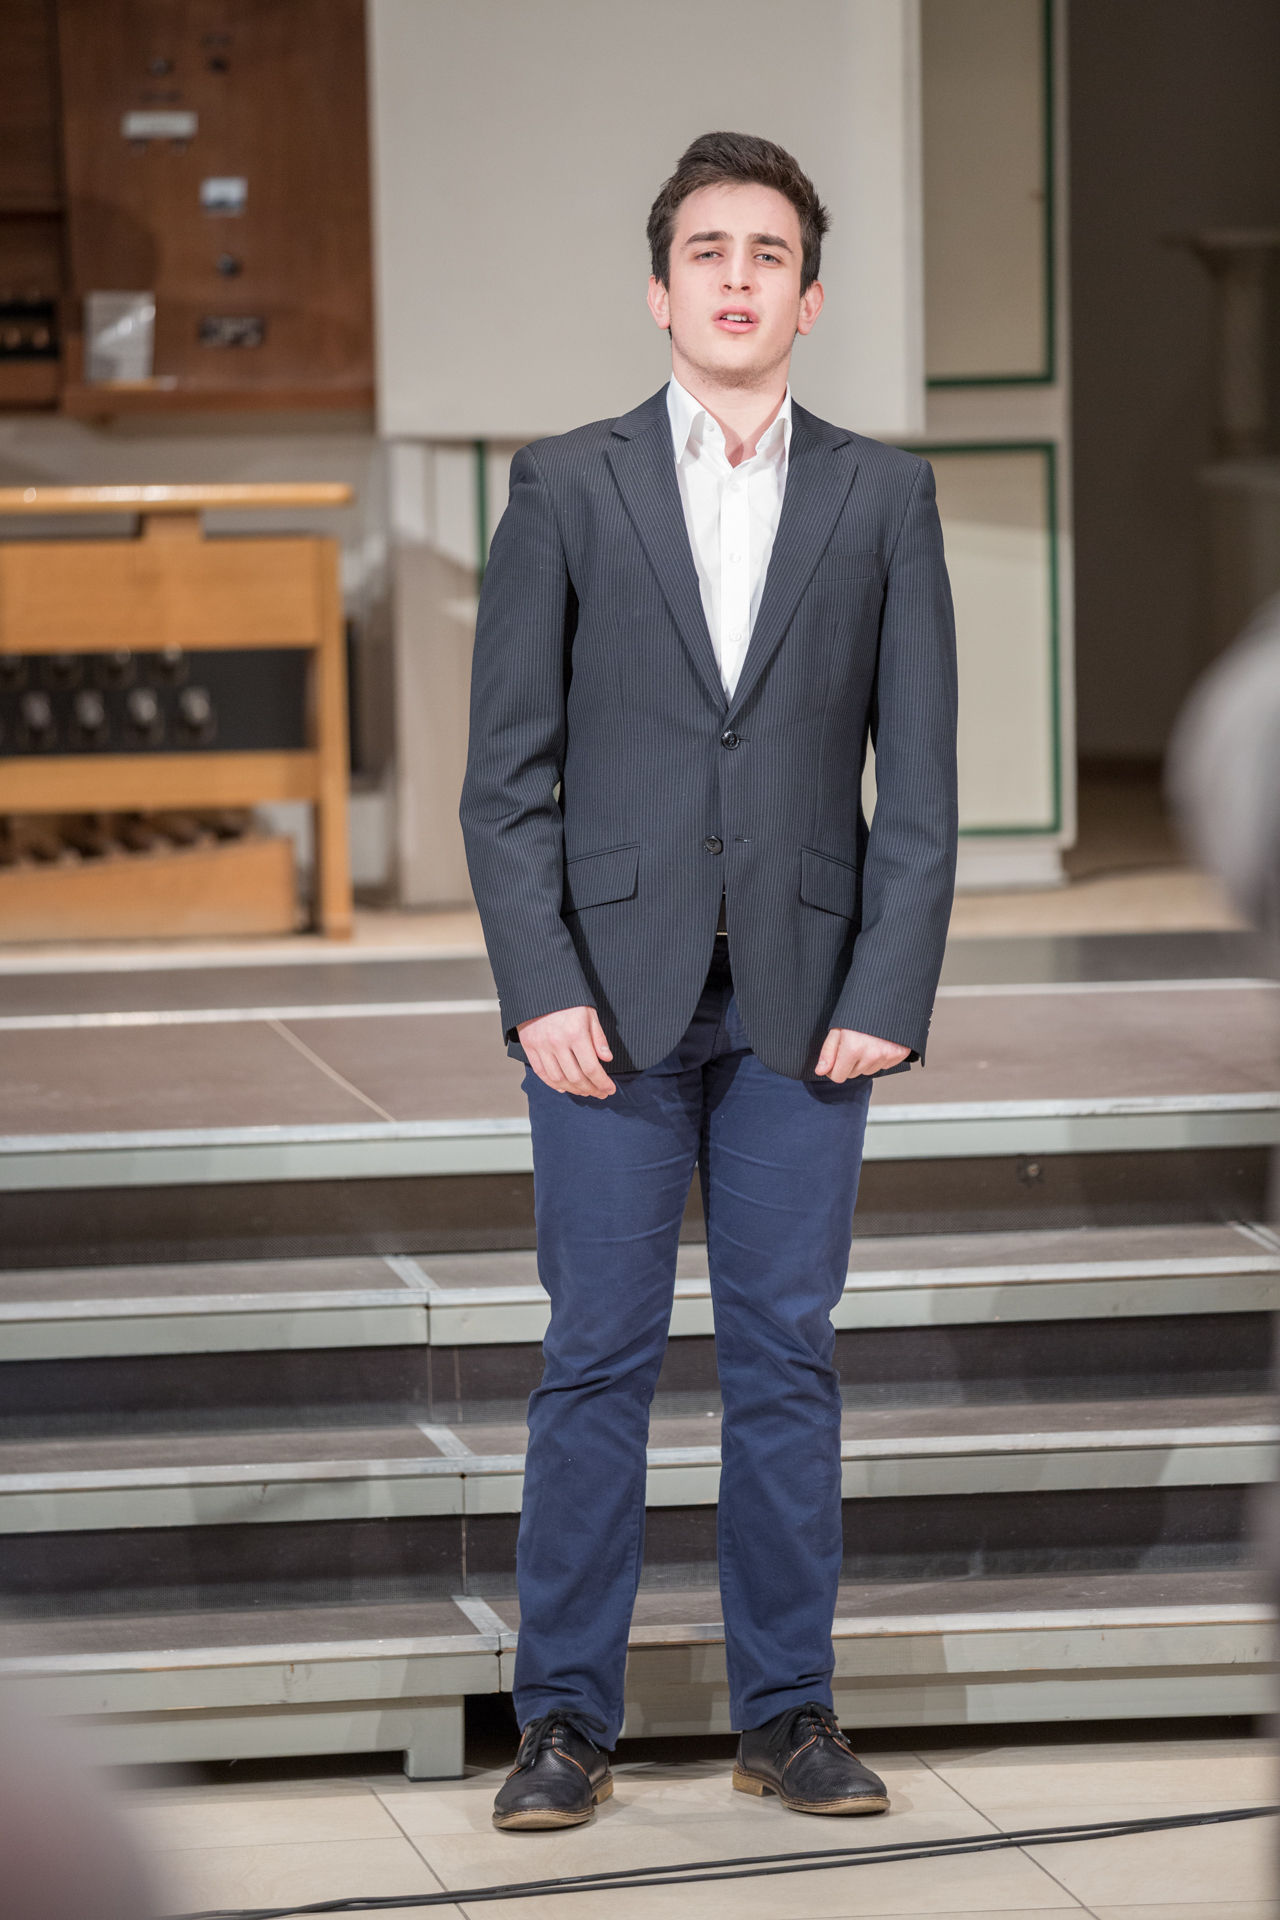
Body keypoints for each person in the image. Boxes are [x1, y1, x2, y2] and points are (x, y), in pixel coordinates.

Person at [460, 130, 958, 1831]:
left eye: (769, 255)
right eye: (706, 252)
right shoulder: (566, 485)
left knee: (786, 1358)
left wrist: (891, 984)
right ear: (659, 291)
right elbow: (504, 778)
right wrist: (539, 983)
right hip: (602, 1002)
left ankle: (790, 1712)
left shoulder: (883, 498)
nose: (737, 278)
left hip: (809, 1008)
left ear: (809, 299)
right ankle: (562, 1723)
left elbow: (922, 785)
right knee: (596, 1356)